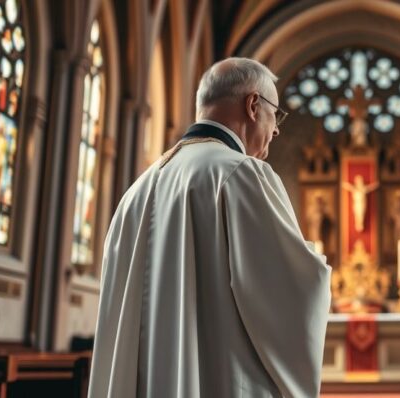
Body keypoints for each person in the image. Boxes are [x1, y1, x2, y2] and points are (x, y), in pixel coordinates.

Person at [89, 58, 332, 397]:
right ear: (253, 105)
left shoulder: (135, 192)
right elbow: (294, 289)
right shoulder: (241, 174)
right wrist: (314, 263)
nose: (276, 130)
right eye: (275, 114)